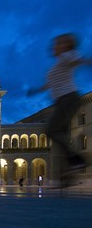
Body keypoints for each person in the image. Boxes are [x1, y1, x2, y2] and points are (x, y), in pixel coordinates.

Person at [28, 33, 92, 175]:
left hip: (68, 99)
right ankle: (67, 173)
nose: (54, 46)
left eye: (58, 43)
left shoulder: (67, 56)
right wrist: (36, 90)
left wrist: (87, 61)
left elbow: (80, 61)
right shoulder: (57, 65)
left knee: (51, 130)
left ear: (67, 46)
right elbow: (49, 84)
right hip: (62, 101)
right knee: (60, 135)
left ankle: (77, 159)